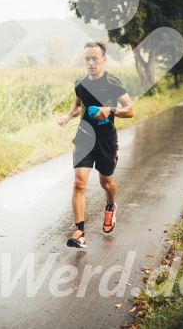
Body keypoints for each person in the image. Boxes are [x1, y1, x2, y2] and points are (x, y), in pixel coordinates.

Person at [57, 42, 133, 248]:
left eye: (95, 59)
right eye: (87, 59)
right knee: (79, 182)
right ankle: (80, 232)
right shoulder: (80, 83)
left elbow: (130, 109)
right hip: (84, 136)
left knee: (106, 183)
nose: (90, 63)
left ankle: (110, 207)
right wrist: (67, 116)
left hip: (106, 139)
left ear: (103, 59)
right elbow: (78, 105)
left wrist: (110, 110)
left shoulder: (112, 81)